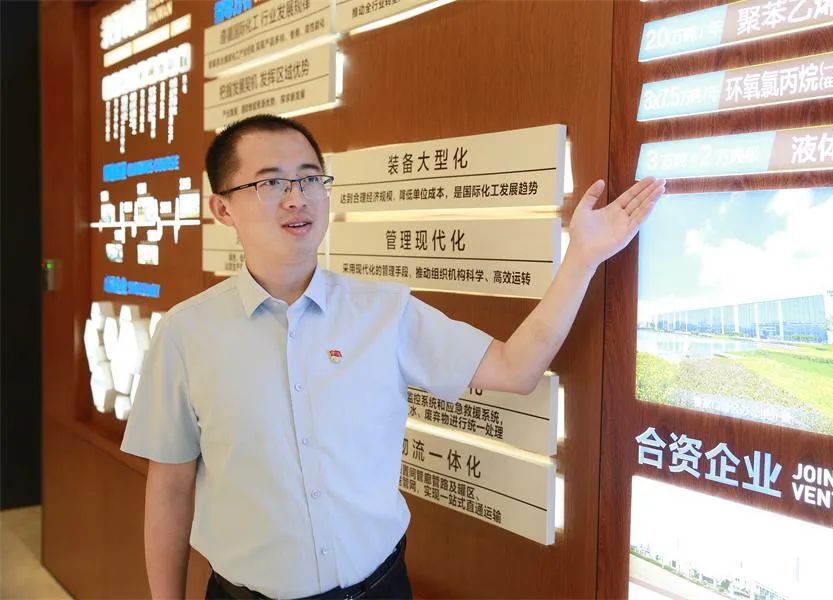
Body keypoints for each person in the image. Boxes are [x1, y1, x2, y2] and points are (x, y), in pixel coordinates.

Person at [121, 114, 665, 600]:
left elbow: (515, 368)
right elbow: (169, 487)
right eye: (271, 182)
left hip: (381, 589)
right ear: (222, 208)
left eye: (309, 178)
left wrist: (583, 257)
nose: (297, 198)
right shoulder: (186, 333)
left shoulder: (384, 311)